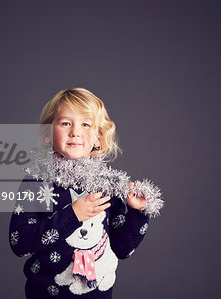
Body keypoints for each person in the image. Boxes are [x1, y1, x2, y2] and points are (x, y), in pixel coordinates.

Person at [9, 88, 163, 298]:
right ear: (48, 134)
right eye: (65, 123)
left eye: (86, 124)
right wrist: (72, 216)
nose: (75, 132)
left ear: (98, 137)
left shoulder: (108, 185)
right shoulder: (38, 181)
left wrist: (138, 213)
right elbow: (20, 243)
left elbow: (122, 249)